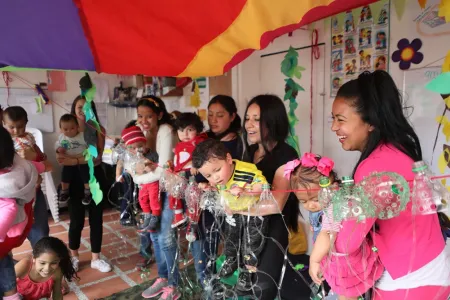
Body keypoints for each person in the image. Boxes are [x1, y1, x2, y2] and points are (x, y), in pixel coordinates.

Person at [330, 71, 450, 299]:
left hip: (411, 282)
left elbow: (348, 239)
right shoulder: (395, 151)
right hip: (429, 271)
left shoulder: (377, 164)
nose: (334, 127)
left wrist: (327, 231)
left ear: (370, 122)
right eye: (333, 119)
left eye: (341, 119)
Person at [287, 153, 383, 299]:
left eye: (314, 199)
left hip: (345, 262)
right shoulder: (325, 202)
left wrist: (314, 260)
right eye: (304, 201)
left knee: (347, 293)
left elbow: (327, 233)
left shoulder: (334, 205)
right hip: (334, 258)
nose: (311, 205)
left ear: (332, 187)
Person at [237, 94, 300, 300]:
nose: (249, 125)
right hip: (252, 227)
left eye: (257, 119)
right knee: (250, 281)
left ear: (272, 122)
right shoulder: (251, 151)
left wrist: (235, 207)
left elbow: (275, 204)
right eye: (247, 118)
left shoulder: (287, 154)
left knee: (265, 286)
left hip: (273, 229)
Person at [193, 139, 269, 292]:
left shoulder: (246, 170)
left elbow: (264, 185)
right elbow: (219, 186)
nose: (215, 178)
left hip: (252, 213)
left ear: (228, 159)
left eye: (217, 170)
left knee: (251, 242)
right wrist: (208, 187)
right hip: (233, 211)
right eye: (208, 175)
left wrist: (246, 190)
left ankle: (247, 272)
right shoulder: (219, 177)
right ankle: (232, 259)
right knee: (230, 236)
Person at [57, 95, 111, 273]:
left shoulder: (96, 129)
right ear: (74, 109)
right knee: (76, 221)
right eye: (80, 106)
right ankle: (74, 257)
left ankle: (96, 258)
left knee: (96, 219)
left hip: (94, 178)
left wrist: (74, 160)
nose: (83, 110)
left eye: (87, 107)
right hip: (74, 181)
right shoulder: (66, 130)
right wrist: (77, 160)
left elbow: (97, 156)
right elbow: (60, 157)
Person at [134, 96, 181, 300]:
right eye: (140, 116)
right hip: (152, 188)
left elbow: (163, 171)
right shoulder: (142, 132)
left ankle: (174, 284)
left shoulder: (165, 131)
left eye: (149, 116)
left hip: (170, 189)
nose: (144, 121)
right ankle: (163, 277)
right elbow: (135, 160)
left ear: (159, 115)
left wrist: (138, 176)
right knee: (154, 235)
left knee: (165, 238)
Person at [0, 127, 47, 300]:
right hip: (19, 227)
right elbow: (37, 165)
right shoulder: (19, 164)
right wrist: (40, 166)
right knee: (5, 264)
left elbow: (9, 209)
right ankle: (12, 294)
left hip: (8, 231)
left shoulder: (5, 186)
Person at [2, 106, 51, 246]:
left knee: (41, 233)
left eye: (20, 126)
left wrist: (35, 156)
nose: (16, 131)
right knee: (9, 236)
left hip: (33, 190)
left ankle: (40, 260)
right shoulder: (4, 143)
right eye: (11, 127)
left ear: (26, 123)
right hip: (10, 196)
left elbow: (44, 161)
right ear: (3, 124)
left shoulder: (29, 139)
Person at [170, 112, 207, 228]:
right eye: (181, 130)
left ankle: (192, 217)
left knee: (193, 196)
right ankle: (178, 214)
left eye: (190, 129)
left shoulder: (199, 142)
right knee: (174, 193)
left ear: (198, 130)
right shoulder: (179, 145)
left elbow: (204, 155)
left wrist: (196, 164)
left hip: (192, 177)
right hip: (179, 176)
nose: (185, 134)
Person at [55, 114, 91, 206]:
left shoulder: (82, 136)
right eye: (65, 129)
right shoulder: (62, 137)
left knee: (85, 174)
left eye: (72, 128)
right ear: (61, 129)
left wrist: (87, 151)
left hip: (81, 158)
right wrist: (59, 149)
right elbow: (57, 146)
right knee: (65, 174)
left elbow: (89, 146)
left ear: (77, 127)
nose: (69, 131)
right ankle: (64, 192)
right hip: (68, 160)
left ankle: (88, 193)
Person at [207, 95, 245, 160]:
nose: (213, 120)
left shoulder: (231, 144)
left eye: (220, 115)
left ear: (232, 117)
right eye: (210, 114)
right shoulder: (207, 136)